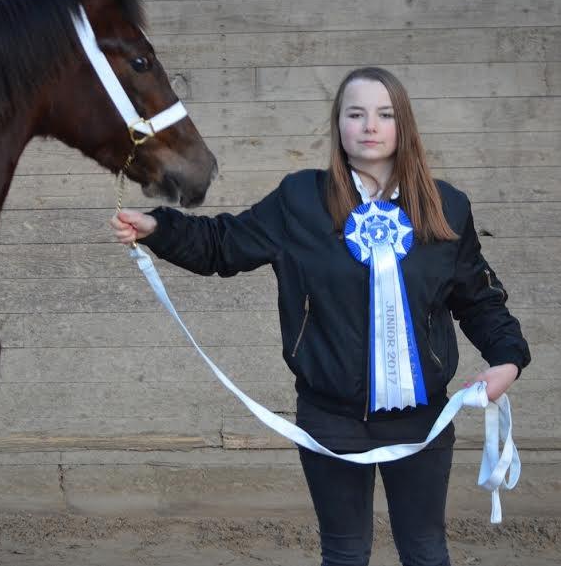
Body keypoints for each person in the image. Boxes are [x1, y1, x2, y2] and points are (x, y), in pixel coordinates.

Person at [110, 67, 530, 566]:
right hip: (329, 419)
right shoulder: (299, 201)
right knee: (345, 553)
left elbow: (479, 298)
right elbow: (221, 245)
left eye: (384, 114)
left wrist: (507, 358)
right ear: (339, 125)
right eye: (356, 114)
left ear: (404, 126)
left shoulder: (447, 207)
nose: (369, 125)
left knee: (424, 550)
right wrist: (160, 227)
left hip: (422, 422)